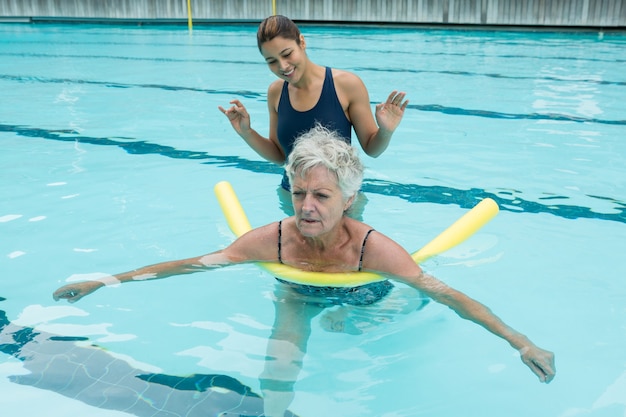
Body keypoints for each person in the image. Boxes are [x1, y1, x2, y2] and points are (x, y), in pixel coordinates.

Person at [54, 125, 555, 417]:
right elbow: (193, 265)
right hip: (296, 288)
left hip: (368, 293)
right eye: (298, 194)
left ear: (349, 199)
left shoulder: (375, 252)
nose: (307, 207)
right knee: (281, 355)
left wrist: (521, 342)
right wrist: (106, 280)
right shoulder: (271, 239)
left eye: (321, 195)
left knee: (385, 312)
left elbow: (449, 296)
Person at [218, 14, 408, 192]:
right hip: (292, 194)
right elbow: (279, 156)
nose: (283, 66)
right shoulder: (275, 92)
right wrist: (246, 132)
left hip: (339, 200)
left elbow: (372, 149)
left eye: (287, 54)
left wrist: (385, 131)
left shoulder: (347, 85)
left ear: (302, 42)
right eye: (272, 61)